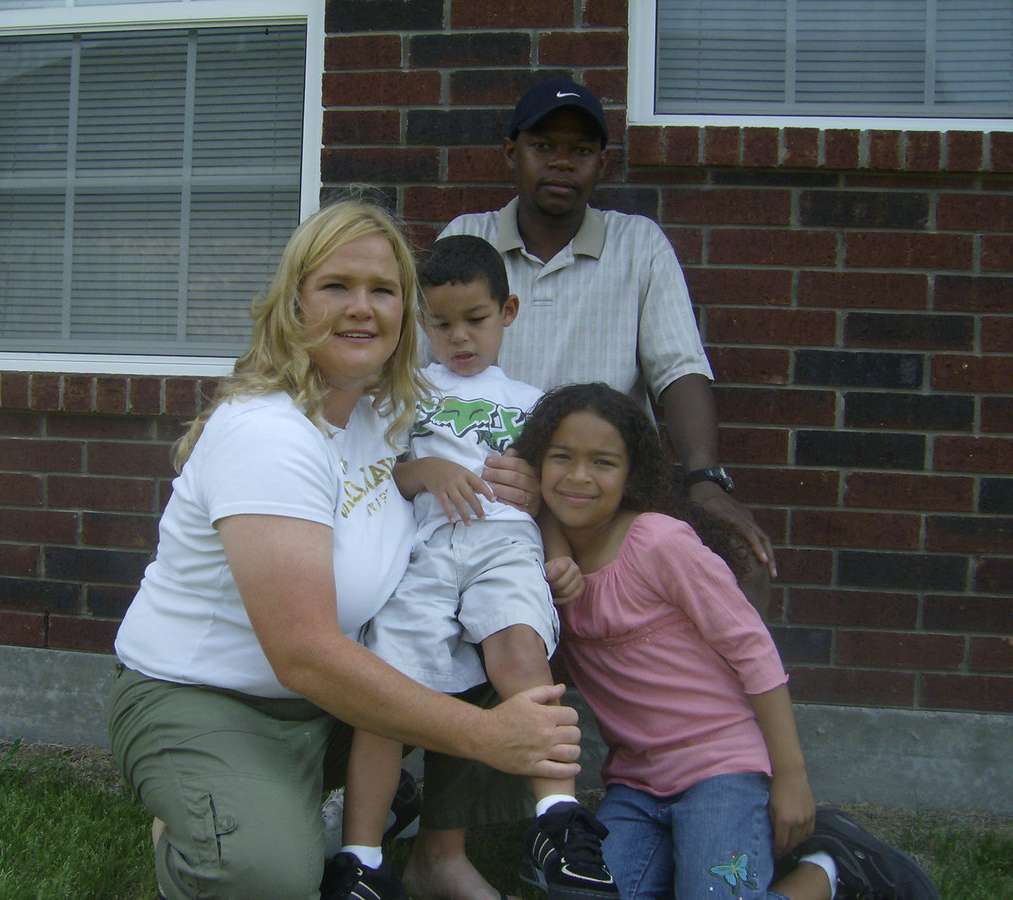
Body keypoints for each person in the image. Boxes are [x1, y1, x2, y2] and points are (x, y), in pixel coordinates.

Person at [104, 199, 583, 900]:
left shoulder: (384, 411)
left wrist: (529, 497)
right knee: (265, 880)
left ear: (403, 313)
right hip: (212, 699)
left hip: (328, 706)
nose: (362, 308)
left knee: (498, 620)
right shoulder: (268, 434)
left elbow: (473, 480)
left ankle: (432, 855)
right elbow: (302, 652)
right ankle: (212, 811)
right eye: (337, 287)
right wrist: (488, 739)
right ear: (294, 303)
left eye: (382, 290)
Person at [512, 382, 940, 900]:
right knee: (584, 893)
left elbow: (753, 650)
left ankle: (830, 871)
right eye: (562, 457)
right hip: (635, 783)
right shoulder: (537, 554)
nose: (579, 476)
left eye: (603, 462)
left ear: (632, 475)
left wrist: (791, 777)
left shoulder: (659, 543)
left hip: (722, 770)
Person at [323, 235, 617, 900]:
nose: (459, 337)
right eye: (441, 321)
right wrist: (423, 470)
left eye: (475, 320)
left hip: (506, 546)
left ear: (508, 311)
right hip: (425, 551)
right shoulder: (402, 392)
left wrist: (559, 550)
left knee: (517, 654)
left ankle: (558, 823)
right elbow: (375, 476)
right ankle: (361, 860)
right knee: (387, 687)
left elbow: (547, 498)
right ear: (421, 319)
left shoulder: (535, 404)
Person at [439, 77, 777, 608]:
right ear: (512, 152)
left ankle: (707, 694)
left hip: (605, 488)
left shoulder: (638, 244)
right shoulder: (469, 239)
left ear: (603, 163)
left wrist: (705, 478)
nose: (562, 162)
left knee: (741, 559)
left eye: (580, 150)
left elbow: (679, 369)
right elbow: (418, 371)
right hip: (496, 483)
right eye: (543, 146)